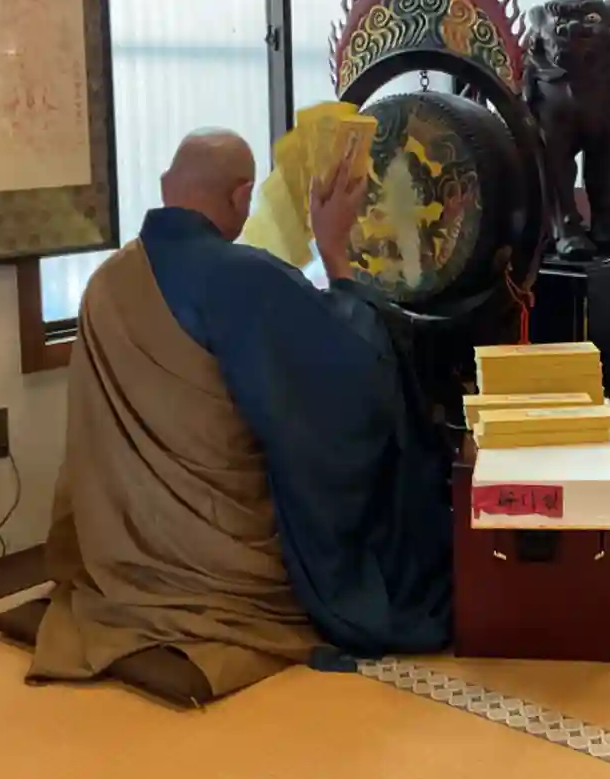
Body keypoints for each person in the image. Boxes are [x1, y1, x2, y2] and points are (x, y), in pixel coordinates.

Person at [29, 128, 453, 699]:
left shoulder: (106, 279)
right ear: (241, 195)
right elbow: (355, 378)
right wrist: (335, 252)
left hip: (118, 545)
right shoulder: (243, 275)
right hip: (224, 558)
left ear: (166, 185)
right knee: (413, 509)